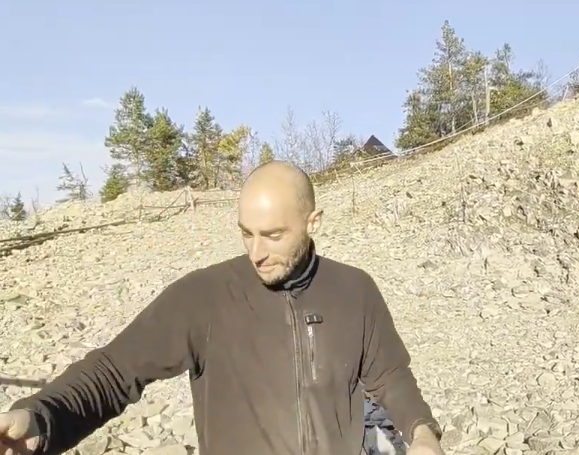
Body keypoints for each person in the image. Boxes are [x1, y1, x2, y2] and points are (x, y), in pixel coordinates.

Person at [0, 161, 444, 455]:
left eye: (273, 235)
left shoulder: (354, 290)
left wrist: (422, 432)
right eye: (245, 233)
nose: (256, 252)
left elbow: (389, 375)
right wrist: (41, 417)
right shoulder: (205, 298)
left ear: (313, 222)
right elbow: (114, 372)